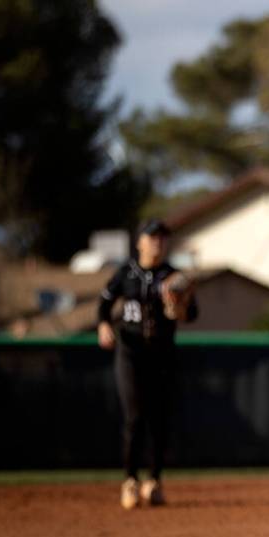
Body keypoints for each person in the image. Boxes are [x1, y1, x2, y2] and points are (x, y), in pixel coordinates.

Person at [97, 219, 197, 510]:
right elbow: (104, 303)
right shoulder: (125, 273)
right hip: (130, 352)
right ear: (139, 241)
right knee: (135, 416)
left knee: (159, 419)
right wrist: (103, 324)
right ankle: (130, 481)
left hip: (162, 353)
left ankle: (154, 482)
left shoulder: (173, 276)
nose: (158, 242)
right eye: (152, 237)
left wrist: (180, 308)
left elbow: (191, 313)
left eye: (163, 238)